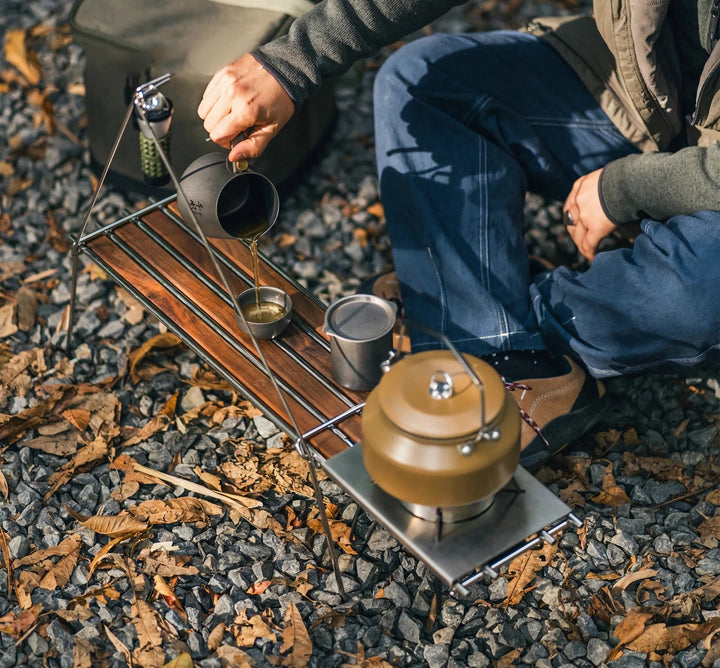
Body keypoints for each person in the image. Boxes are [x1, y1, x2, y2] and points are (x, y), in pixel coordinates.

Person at [198, 0, 720, 467]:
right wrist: (293, 62)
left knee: (699, 292)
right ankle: (496, 341)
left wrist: (624, 188)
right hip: (650, 101)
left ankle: (474, 306)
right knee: (420, 80)